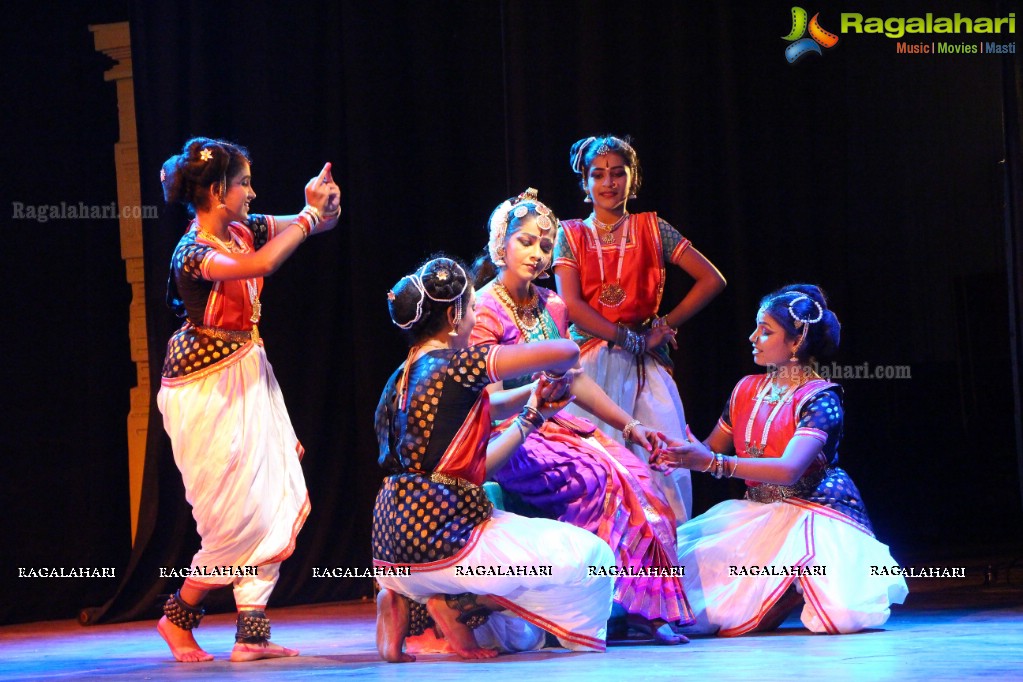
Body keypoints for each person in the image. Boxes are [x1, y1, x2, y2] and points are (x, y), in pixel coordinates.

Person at [470, 190, 693, 645]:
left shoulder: (552, 305)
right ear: (501, 245)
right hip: (512, 435)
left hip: (560, 425)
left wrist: (632, 427)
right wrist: (535, 397)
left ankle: (641, 610)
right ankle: (595, 607)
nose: (536, 253)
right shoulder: (483, 309)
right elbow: (488, 403)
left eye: (546, 245)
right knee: (598, 480)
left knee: (637, 475)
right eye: (526, 242)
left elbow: (575, 380)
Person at [373, 255, 615, 662]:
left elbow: (486, 406)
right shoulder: (461, 363)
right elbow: (566, 350)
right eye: (473, 305)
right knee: (595, 560)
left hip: (391, 546)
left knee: (520, 638)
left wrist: (535, 404)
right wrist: (538, 390)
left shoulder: (398, 380)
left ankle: (399, 597)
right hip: (445, 539)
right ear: (455, 314)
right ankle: (459, 605)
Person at [155, 137, 340, 662]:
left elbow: (313, 225)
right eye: (244, 183)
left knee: (267, 499)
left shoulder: (241, 229)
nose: (252, 193)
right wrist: (306, 217)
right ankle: (177, 617)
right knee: (230, 514)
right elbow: (260, 266)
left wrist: (320, 205)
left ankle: (251, 635)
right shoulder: (193, 252)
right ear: (217, 190)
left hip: (248, 373)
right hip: (203, 389)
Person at [651, 285, 908, 635]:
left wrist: (712, 463)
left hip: (815, 511)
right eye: (757, 327)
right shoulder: (745, 389)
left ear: (795, 343)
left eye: (766, 331)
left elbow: (788, 470)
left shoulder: (820, 398)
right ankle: (783, 589)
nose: (753, 336)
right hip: (757, 512)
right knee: (687, 606)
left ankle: (794, 583)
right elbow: (709, 447)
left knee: (842, 616)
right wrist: (675, 449)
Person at [553, 134, 726, 524]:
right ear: (585, 183)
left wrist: (663, 326)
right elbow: (574, 308)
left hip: (646, 368)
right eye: (598, 175)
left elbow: (712, 279)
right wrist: (633, 338)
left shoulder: (653, 228)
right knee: (594, 470)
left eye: (618, 173)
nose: (608, 183)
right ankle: (600, 573)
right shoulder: (570, 234)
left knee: (662, 465)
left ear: (634, 179)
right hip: (590, 365)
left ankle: (661, 570)